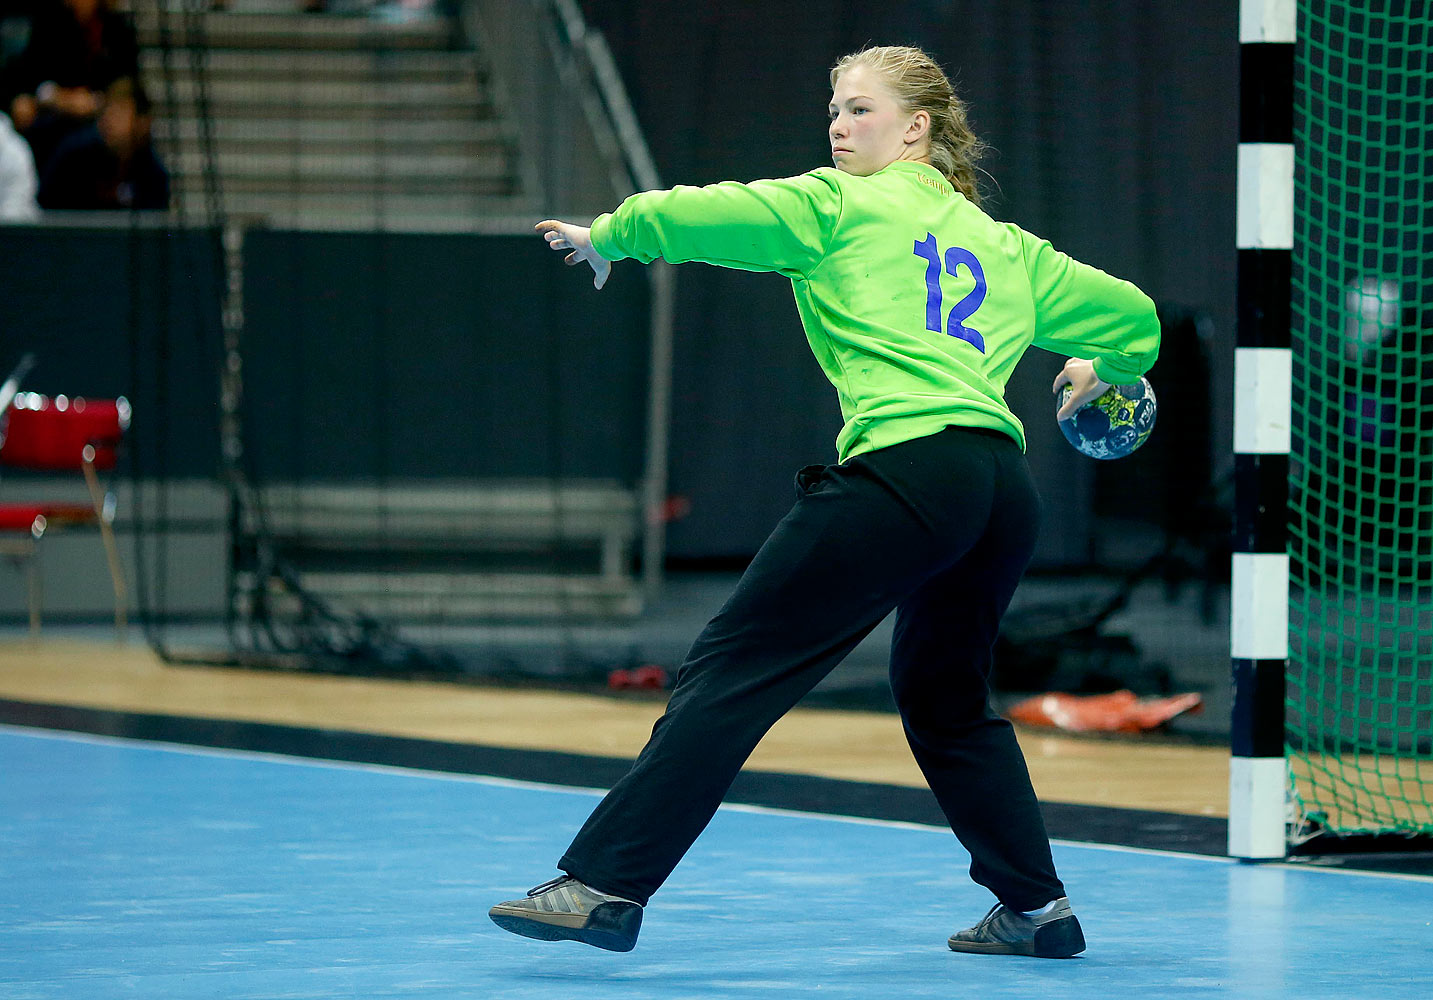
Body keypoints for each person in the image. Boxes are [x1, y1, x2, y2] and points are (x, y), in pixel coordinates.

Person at [490, 44, 1159, 958]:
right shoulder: (1004, 247)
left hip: (906, 472)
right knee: (945, 697)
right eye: (834, 112)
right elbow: (1133, 316)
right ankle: (1037, 912)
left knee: (730, 672)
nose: (839, 127)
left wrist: (611, 231)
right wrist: (1105, 367)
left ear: (916, 126)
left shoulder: (836, 204)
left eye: (860, 109)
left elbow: (716, 212)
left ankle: (600, 887)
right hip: (998, 489)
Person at [38, 74, 167, 209]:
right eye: (106, 111)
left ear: (143, 122)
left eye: (118, 113)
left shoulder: (153, 173)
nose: (108, 121)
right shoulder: (74, 157)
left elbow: (159, 225)